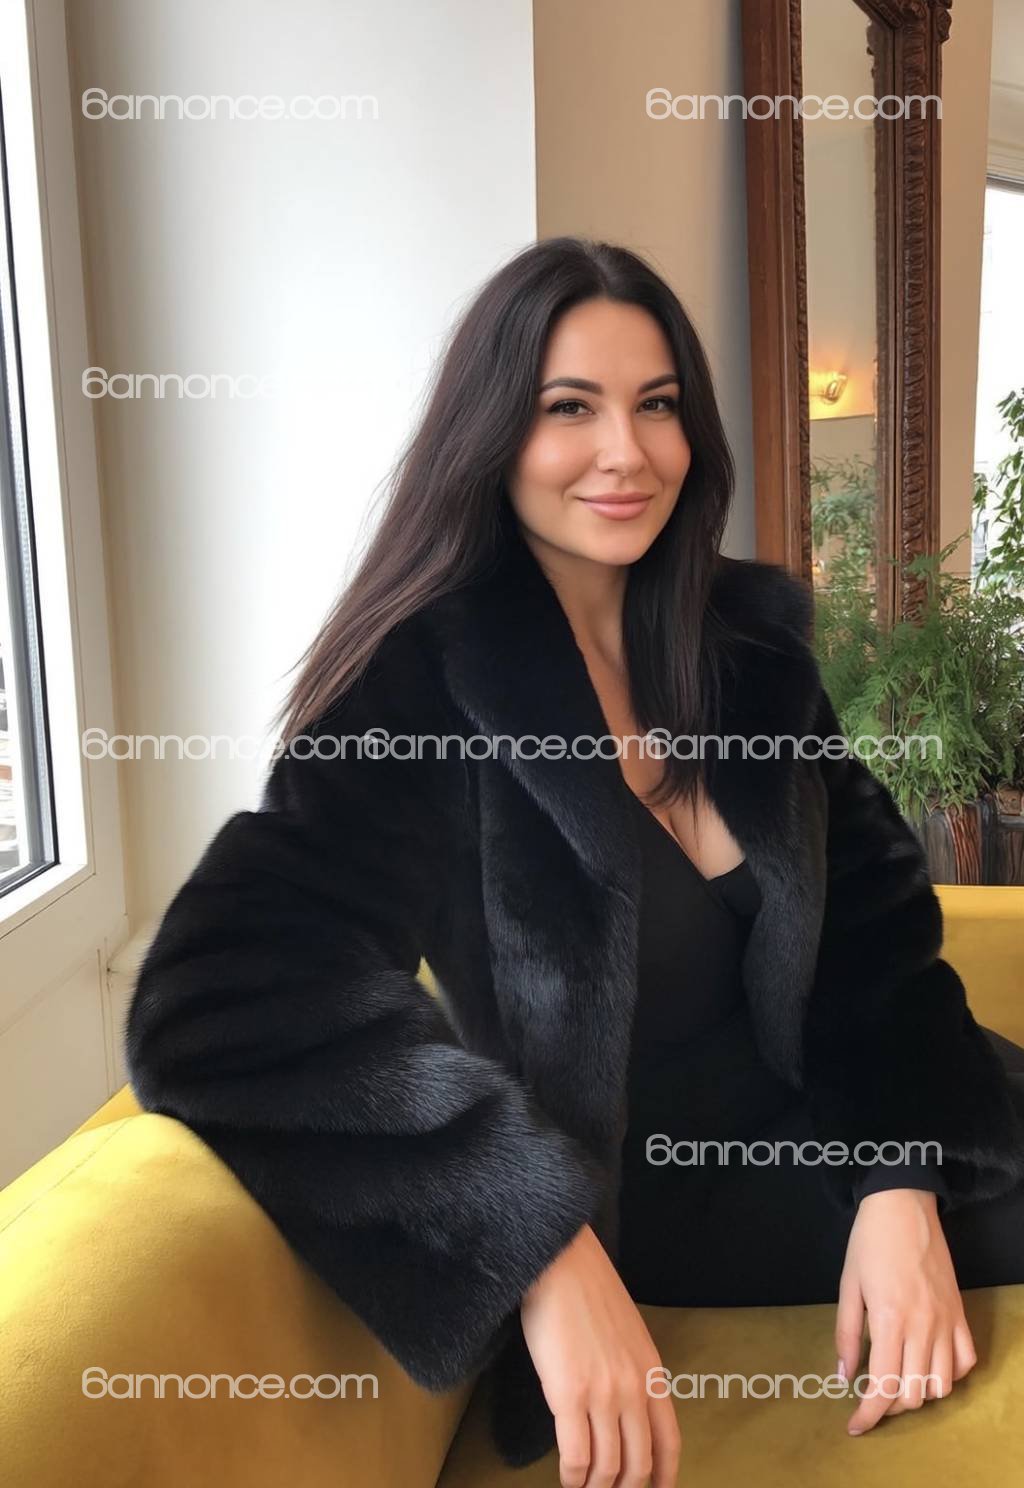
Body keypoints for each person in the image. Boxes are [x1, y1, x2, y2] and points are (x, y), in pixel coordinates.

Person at [126, 237, 1024, 1488]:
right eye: (569, 408)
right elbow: (216, 1000)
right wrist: (532, 1238)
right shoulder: (419, 685)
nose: (626, 452)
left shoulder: (747, 648)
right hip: (665, 1198)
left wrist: (899, 1174)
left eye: (655, 404)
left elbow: (873, 920)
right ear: (492, 434)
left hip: (858, 1110)